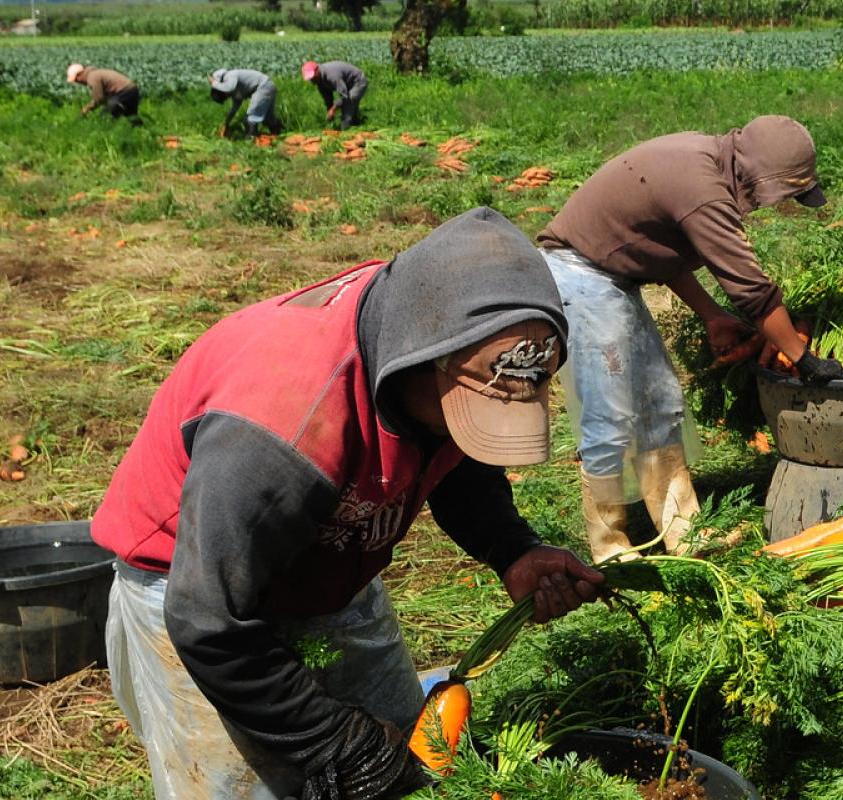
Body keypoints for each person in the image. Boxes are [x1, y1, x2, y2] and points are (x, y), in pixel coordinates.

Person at [91, 208, 607, 800]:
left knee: (413, 761)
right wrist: (336, 743)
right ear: (419, 355)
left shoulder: (436, 356)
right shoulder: (282, 429)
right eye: (471, 413)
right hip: (197, 591)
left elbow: (460, 462)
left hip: (328, 556)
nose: (474, 434)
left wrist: (512, 549)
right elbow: (207, 621)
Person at [533, 115, 843, 561]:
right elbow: (751, 289)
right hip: (580, 275)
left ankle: (684, 531)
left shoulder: (710, 163)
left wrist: (712, 315)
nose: (777, 205)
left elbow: (665, 254)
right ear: (762, 177)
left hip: (612, 275)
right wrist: (803, 357)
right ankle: (609, 546)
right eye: (784, 194)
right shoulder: (704, 189)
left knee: (660, 399)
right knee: (610, 413)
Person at [209, 68, 282, 139]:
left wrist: (214, 83)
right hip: (268, 86)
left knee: (252, 117)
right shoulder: (236, 90)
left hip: (263, 86)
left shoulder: (230, 75)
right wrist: (226, 123)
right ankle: (277, 135)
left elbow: (229, 87)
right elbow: (234, 109)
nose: (227, 96)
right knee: (268, 117)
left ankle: (252, 138)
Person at [67, 62, 141, 124]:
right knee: (131, 117)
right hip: (132, 90)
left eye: (77, 80)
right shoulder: (95, 73)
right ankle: (143, 131)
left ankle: (109, 134)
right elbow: (104, 98)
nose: (78, 82)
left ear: (79, 75)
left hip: (124, 92)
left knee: (105, 116)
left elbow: (99, 98)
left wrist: (87, 108)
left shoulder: (92, 77)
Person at [304, 60, 368, 130]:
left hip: (357, 82)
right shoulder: (319, 80)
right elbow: (327, 98)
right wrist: (330, 111)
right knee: (351, 109)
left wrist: (333, 109)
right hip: (346, 84)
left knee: (348, 105)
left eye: (313, 77)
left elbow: (344, 96)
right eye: (310, 79)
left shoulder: (332, 75)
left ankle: (345, 131)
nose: (312, 80)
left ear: (317, 70)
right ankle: (356, 123)